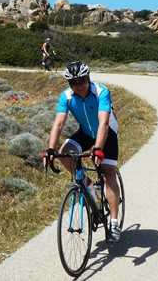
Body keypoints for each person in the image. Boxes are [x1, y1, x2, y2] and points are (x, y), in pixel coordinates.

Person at [43, 61, 121, 242]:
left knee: (108, 173)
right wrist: (50, 149)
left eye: (82, 81)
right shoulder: (66, 97)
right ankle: (88, 185)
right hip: (86, 133)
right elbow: (59, 123)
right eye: (73, 83)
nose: (78, 86)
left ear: (88, 78)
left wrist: (98, 149)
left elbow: (103, 123)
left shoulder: (101, 92)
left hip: (107, 133)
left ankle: (114, 223)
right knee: (64, 153)